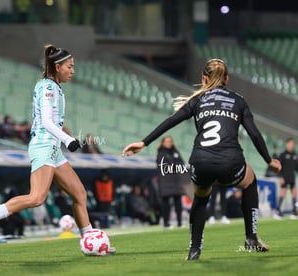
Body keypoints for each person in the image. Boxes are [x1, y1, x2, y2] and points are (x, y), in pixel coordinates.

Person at [122, 58, 281, 260]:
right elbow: (255, 135)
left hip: (201, 161)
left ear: (204, 79)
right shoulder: (238, 100)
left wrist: (144, 142)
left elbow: (171, 121)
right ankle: (251, 238)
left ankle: (194, 249)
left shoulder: (197, 100)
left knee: (201, 197)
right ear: (227, 79)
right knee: (250, 181)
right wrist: (269, 161)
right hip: (230, 161)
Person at [0, 45, 115, 253]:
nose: (73, 70)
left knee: (79, 194)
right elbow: (47, 122)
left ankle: (90, 242)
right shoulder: (47, 88)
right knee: (37, 198)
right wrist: (68, 139)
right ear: (58, 67)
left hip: (53, 148)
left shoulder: (53, 86)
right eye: (70, 66)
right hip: (43, 145)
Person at [156, 136, 186, 229]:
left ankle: (180, 222)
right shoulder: (161, 154)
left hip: (177, 182)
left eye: (170, 141)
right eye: (167, 141)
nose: (169, 143)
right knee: (166, 203)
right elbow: (163, 167)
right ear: (163, 143)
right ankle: (166, 223)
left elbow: (182, 164)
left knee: (178, 203)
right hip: (166, 182)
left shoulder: (176, 153)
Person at [274, 138, 298, 219]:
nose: (292, 145)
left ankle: (294, 212)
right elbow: (279, 166)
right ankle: (277, 211)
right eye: (291, 143)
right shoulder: (283, 154)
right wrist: (280, 177)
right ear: (287, 144)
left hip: (292, 177)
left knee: (294, 193)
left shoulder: (295, 155)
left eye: (293, 144)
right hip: (284, 177)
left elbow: (296, 167)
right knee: (283, 193)